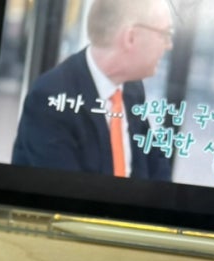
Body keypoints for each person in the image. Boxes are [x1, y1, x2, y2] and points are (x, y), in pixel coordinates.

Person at [11, 0, 173, 181]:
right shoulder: (49, 98)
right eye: (164, 34)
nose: (169, 45)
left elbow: (155, 162)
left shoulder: (132, 88)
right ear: (130, 37)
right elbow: (68, 192)